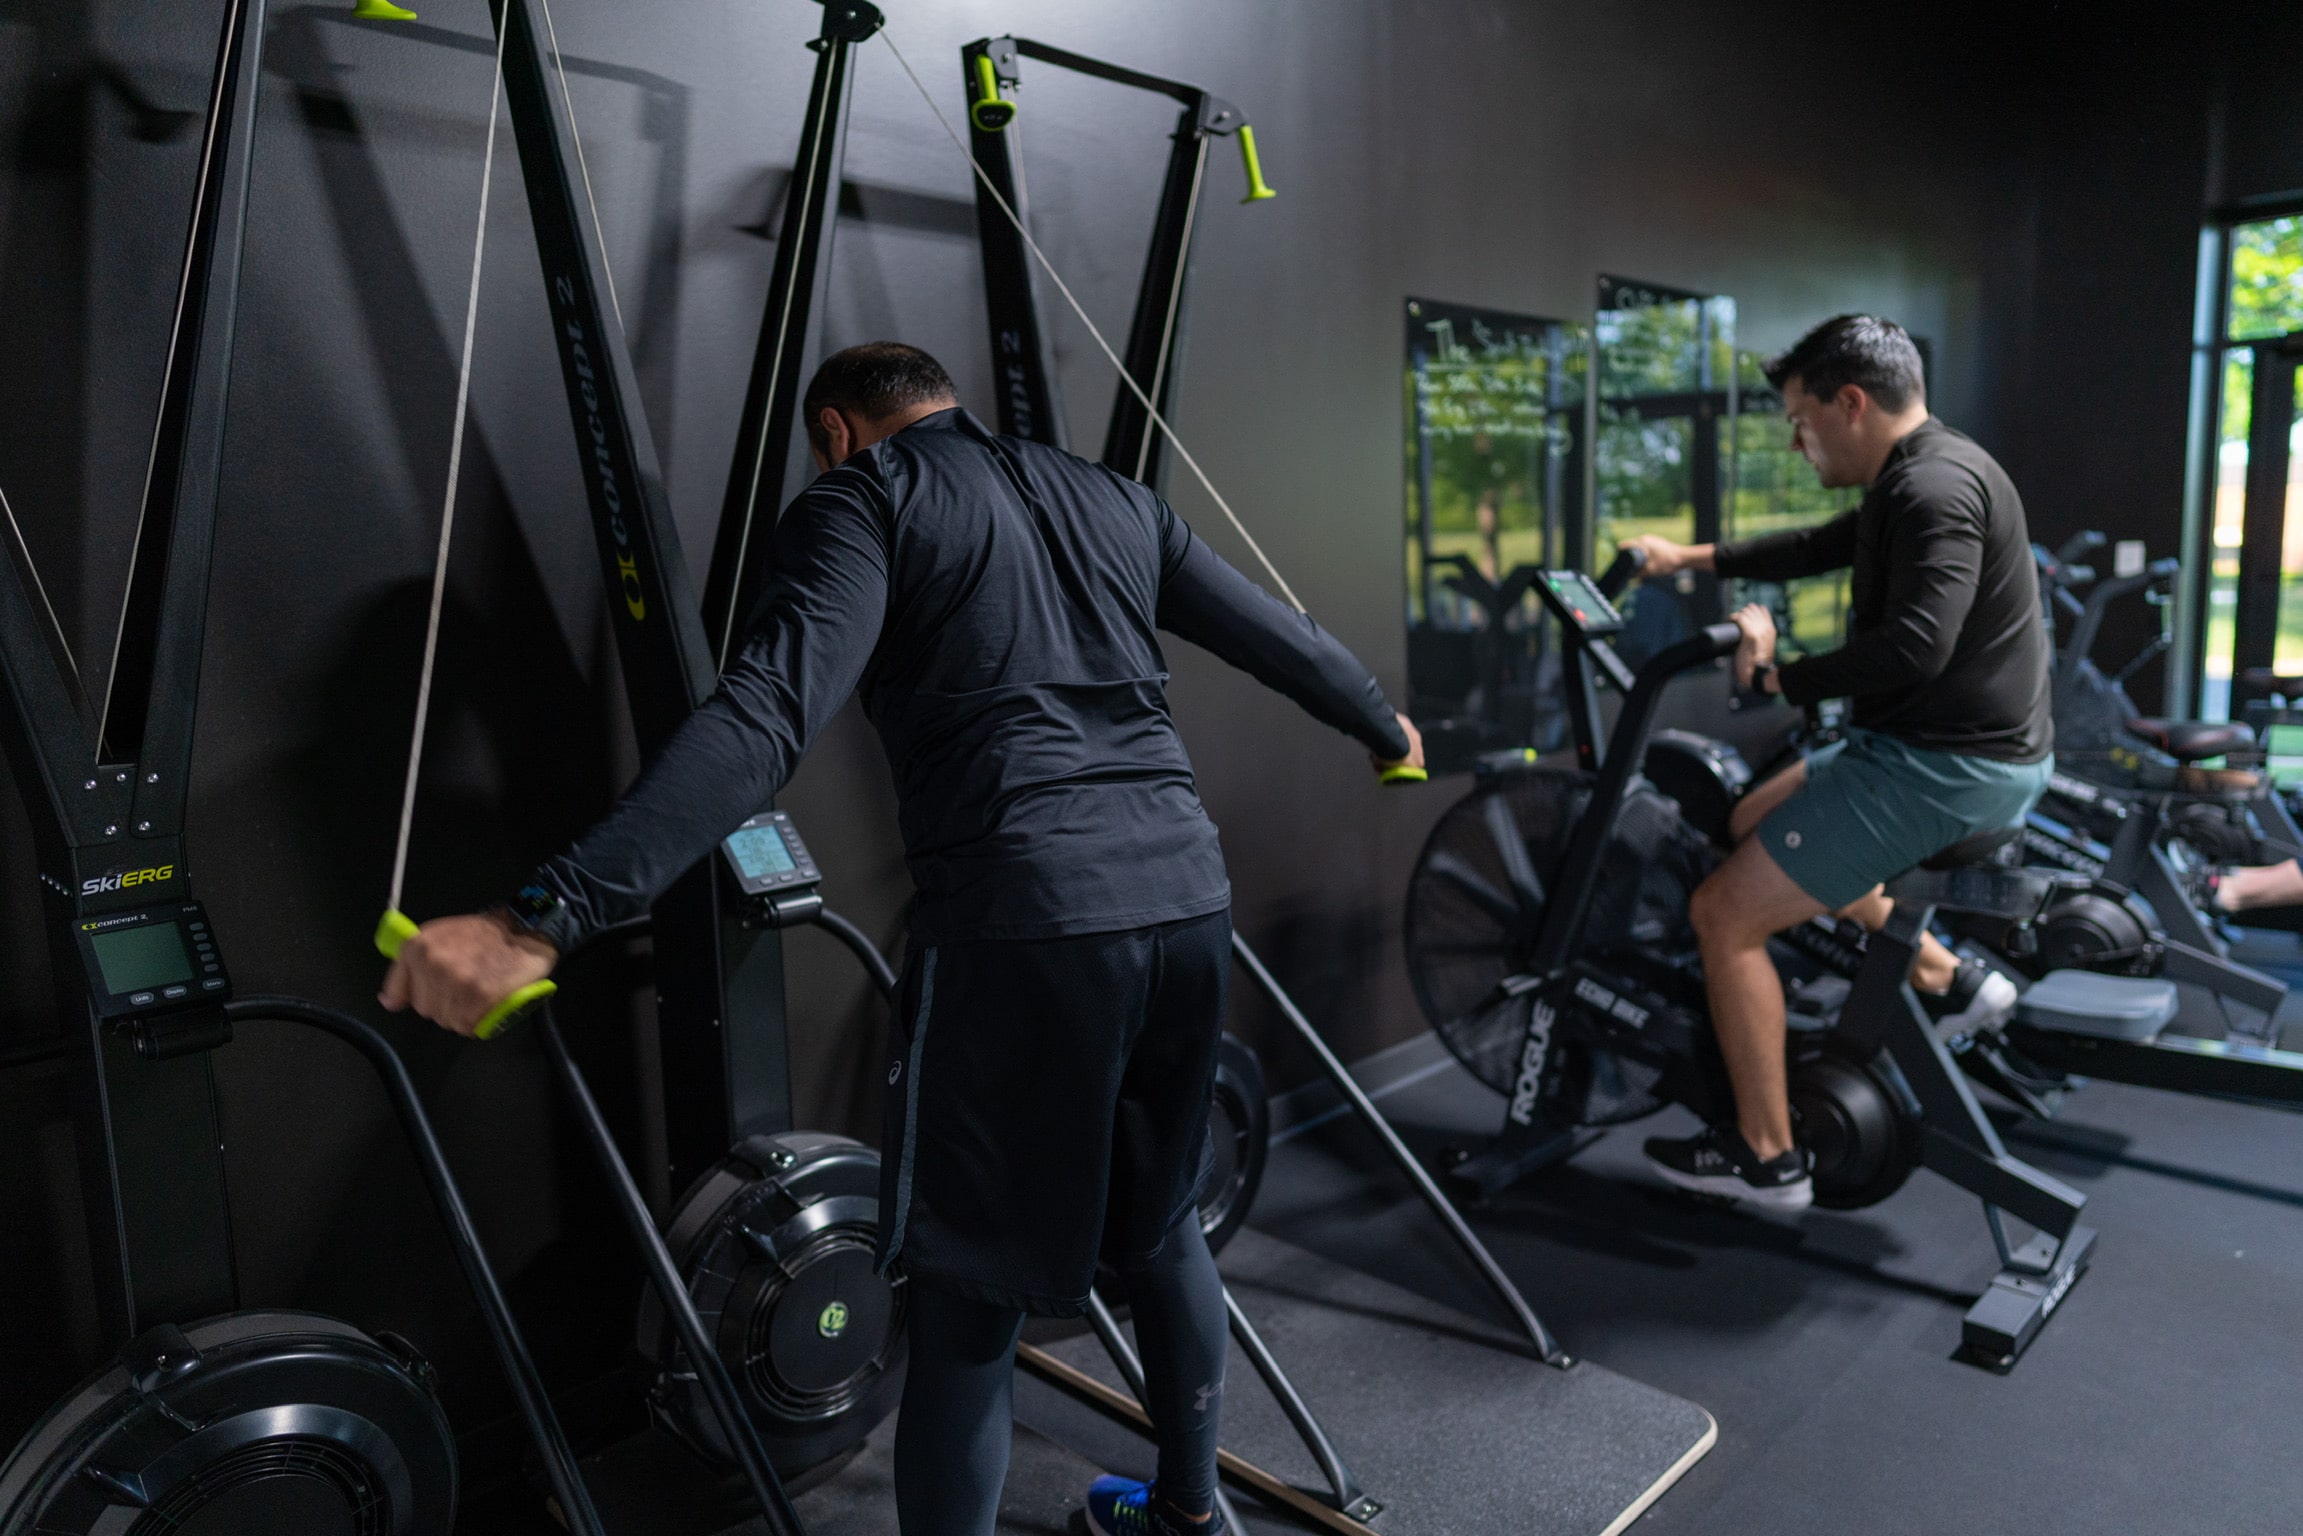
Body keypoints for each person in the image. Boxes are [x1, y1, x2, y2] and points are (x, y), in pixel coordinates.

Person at [377, 342, 1421, 1536]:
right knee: (1162, 1217)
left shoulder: (862, 501)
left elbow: (765, 714)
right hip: (1185, 893)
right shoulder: (1111, 497)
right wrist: (1378, 721)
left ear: (835, 430)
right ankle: (1191, 1517)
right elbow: (1274, 635)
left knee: (969, 1296)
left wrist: (543, 916)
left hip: (1029, 921)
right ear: (943, 402)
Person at [1621, 314, 2053, 1211]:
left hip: (1941, 769)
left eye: (1799, 419)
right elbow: (1815, 547)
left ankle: (1766, 1156)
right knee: (1746, 818)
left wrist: (1785, 676)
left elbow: (1914, 649)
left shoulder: (1931, 490)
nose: (1795, 439)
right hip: (1931, 749)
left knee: (1722, 915)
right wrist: (1687, 557)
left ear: (1849, 403)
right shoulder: (1920, 471)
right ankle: (1948, 976)